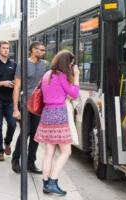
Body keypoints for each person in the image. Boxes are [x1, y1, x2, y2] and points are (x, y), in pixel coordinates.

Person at [34, 50, 79, 195]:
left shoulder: (47, 74)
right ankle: (53, 182)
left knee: (49, 152)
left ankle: (46, 183)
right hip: (58, 114)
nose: (72, 67)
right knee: (66, 151)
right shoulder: (61, 76)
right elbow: (74, 93)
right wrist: (76, 77)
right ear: (66, 63)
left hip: (47, 114)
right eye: (71, 64)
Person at [12, 41, 49, 174]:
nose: (44, 52)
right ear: (34, 50)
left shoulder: (45, 65)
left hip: (39, 105)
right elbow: (16, 87)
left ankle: (30, 163)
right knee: (25, 132)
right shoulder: (23, 64)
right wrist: (15, 109)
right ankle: (16, 160)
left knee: (35, 135)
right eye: (42, 50)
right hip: (25, 104)